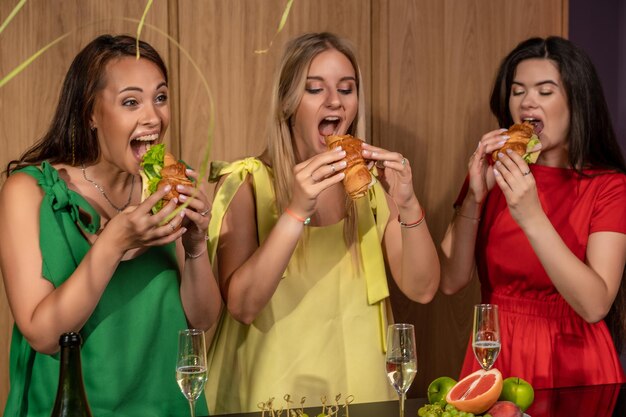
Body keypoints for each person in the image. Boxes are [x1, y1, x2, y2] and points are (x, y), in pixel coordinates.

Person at [204, 32, 440, 414]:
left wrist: (408, 204)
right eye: (315, 89)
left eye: (346, 89)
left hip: (360, 392)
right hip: (270, 394)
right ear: (287, 105)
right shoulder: (247, 183)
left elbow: (423, 287)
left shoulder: (368, 190)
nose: (335, 101)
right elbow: (244, 306)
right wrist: (296, 210)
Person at [0, 35, 222, 417]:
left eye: (161, 97)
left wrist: (196, 245)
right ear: (90, 113)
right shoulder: (29, 191)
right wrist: (112, 244)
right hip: (71, 407)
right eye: (131, 102)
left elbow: (200, 321)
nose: (153, 117)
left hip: (165, 406)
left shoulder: (173, 185)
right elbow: (42, 334)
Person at [440, 36, 626, 389]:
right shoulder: (496, 171)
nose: (527, 102)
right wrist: (474, 198)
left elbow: (595, 305)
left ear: (577, 101)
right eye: (517, 91)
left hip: (575, 365)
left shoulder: (609, 186)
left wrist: (530, 215)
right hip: (495, 353)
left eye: (545, 91)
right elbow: (451, 280)